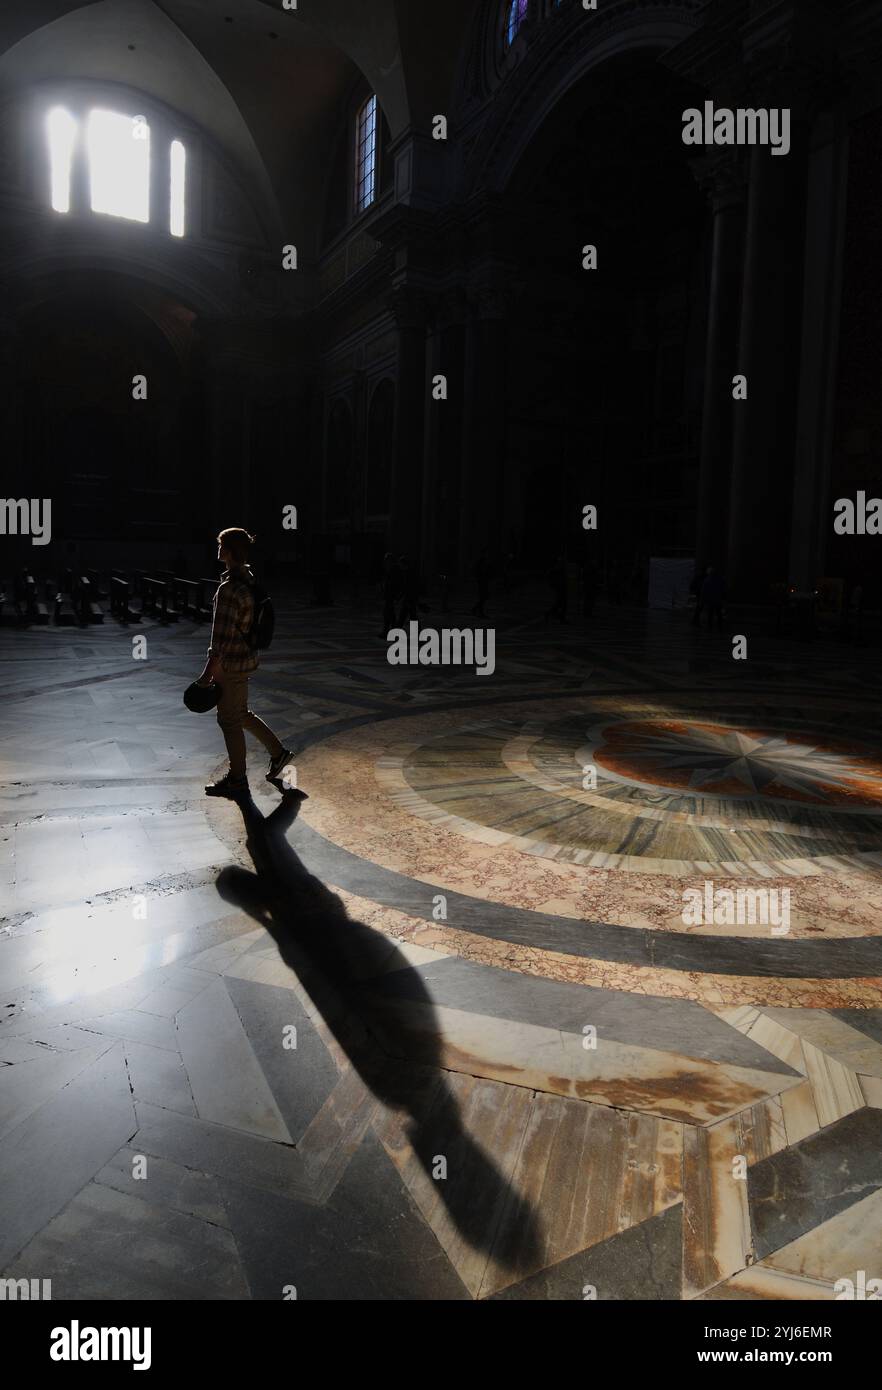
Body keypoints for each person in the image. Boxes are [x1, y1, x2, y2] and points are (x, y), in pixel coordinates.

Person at [196, 528, 291, 799]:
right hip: (246, 659)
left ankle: (237, 780)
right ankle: (279, 754)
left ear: (229, 550)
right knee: (241, 714)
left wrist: (207, 673)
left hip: (231, 665)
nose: (218, 548)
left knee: (229, 721)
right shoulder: (248, 581)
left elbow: (221, 637)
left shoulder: (229, 589)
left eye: (221, 544)